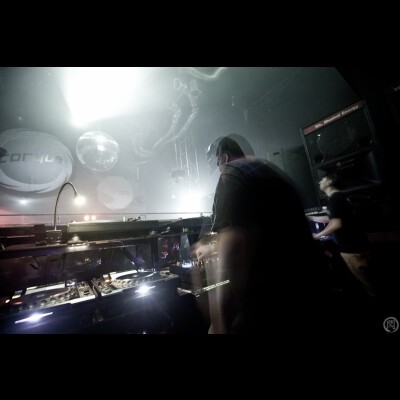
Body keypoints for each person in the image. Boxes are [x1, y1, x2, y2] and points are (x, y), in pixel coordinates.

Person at [191, 135, 331, 335]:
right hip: (310, 290)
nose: (219, 172)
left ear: (224, 158)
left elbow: (234, 242)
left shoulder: (233, 171)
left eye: (217, 165)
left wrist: (218, 319)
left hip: (270, 302)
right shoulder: (268, 172)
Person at [308, 173, 375, 297]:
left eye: (322, 179)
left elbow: (336, 224)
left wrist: (317, 236)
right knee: (365, 280)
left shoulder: (335, 199)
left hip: (352, 249)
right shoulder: (339, 197)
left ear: (329, 182)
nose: (319, 182)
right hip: (356, 245)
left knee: (366, 285)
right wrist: (311, 217)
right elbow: (331, 218)